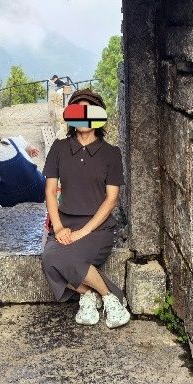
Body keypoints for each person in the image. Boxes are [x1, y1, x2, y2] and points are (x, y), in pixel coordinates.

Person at [41, 88, 131, 329]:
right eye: (77, 111)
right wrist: (58, 227)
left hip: (98, 227)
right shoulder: (59, 148)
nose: (83, 117)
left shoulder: (111, 153)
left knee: (66, 256)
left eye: (89, 111)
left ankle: (110, 300)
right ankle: (91, 294)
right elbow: (50, 191)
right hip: (65, 223)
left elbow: (112, 199)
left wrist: (83, 232)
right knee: (49, 258)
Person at [0, 130, 46, 208]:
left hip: (11, 201)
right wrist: (29, 150)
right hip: (39, 189)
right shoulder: (13, 141)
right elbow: (29, 147)